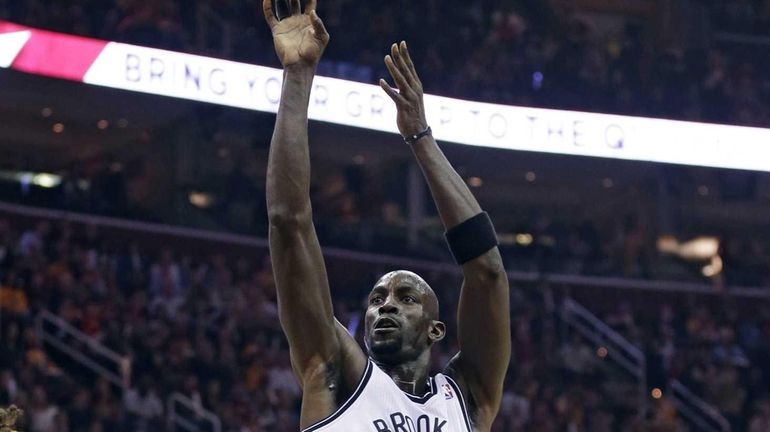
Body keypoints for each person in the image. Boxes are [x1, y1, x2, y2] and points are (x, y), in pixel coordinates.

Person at [262, 1, 511, 431]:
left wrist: (420, 137)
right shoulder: (334, 371)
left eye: (405, 298)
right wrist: (298, 76)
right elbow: (288, 222)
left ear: (435, 330)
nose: (386, 307)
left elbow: (486, 270)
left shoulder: (466, 400)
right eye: (377, 300)